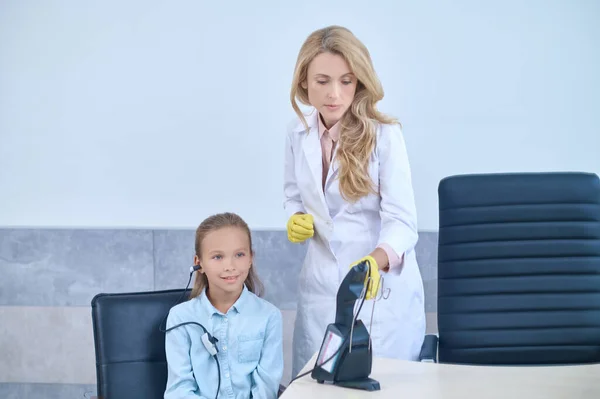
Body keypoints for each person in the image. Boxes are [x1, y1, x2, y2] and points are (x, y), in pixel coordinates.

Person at [283, 25, 426, 377]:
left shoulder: (385, 135)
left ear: (360, 81)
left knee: (380, 385)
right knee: (317, 386)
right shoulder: (296, 131)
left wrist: (376, 261)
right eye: (322, 81)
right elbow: (292, 194)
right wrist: (295, 217)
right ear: (303, 82)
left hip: (380, 295)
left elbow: (403, 222)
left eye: (346, 81)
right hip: (321, 290)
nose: (334, 93)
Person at [164, 212, 284, 399]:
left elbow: (266, 388)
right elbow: (178, 390)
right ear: (199, 263)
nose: (230, 265)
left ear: (251, 257)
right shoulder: (180, 318)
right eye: (218, 257)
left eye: (239, 254)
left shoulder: (269, 316)